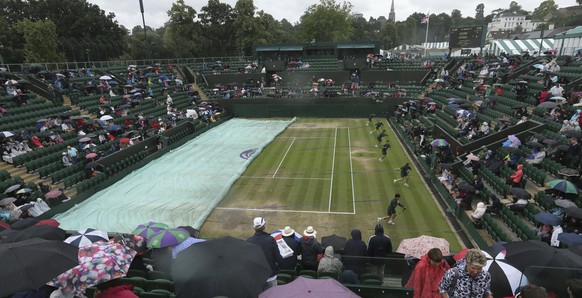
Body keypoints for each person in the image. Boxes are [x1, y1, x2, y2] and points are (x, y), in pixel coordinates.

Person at [246, 217, 282, 290]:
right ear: (263, 226)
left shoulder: (248, 241)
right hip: (270, 275)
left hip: (257, 276)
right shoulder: (270, 239)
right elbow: (278, 258)